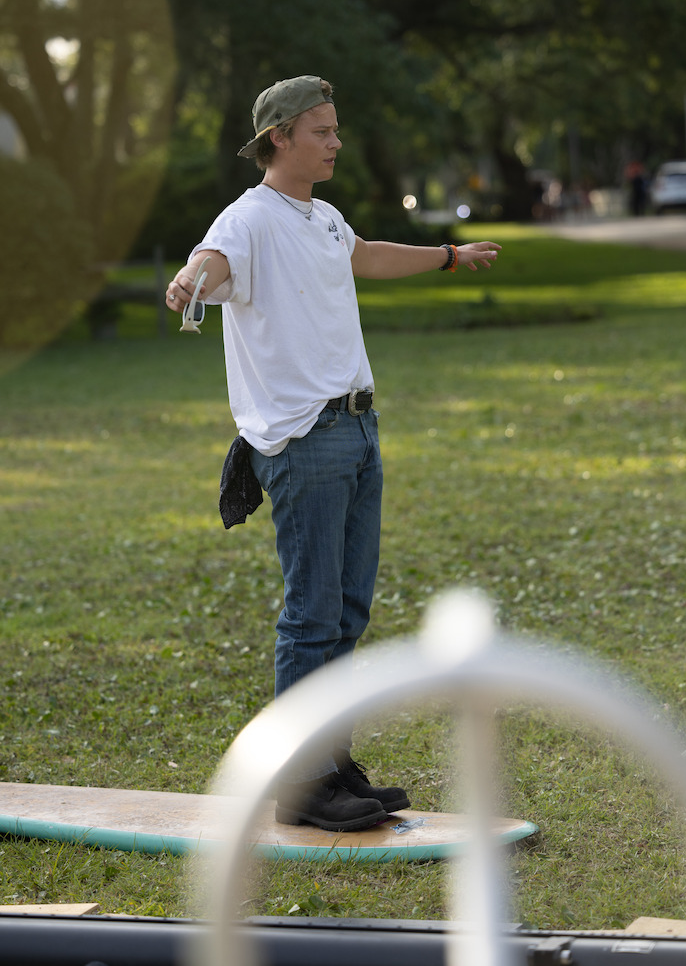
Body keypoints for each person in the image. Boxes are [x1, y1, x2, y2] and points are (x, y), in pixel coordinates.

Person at [165, 75, 501, 832]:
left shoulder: (320, 217)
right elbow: (211, 259)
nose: (336, 142)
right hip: (305, 439)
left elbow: (366, 256)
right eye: (322, 130)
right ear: (279, 136)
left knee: (347, 611)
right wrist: (192, 279)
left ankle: (331, 761)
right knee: (312, 614)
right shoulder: (248, 217)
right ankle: (299, 780)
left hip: (357, 428)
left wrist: (448, 255)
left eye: (336, 129)